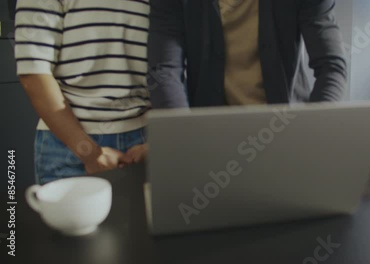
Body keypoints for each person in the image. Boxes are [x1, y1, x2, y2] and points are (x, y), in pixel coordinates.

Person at [15, 0, 150, 184]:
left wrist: (158, 142)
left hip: (144, 143)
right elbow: (34, 73)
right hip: (68, 145)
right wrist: (89, 153)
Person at [148, 0, 347, 108]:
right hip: (210, 136)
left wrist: (314, 130)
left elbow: (332, 66)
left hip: (286, 130)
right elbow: (164, 71)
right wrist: (185, 133)